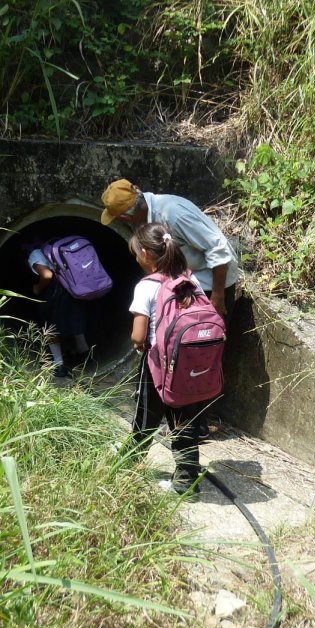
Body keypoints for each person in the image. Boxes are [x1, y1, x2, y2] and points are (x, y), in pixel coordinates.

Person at [101, 178, 238, 439]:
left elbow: (218, 249)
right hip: (188, 282)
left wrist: (218, 297)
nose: (125, 223)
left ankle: (195, 423)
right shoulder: (149, 218)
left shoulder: (172, 213)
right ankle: (184, 420)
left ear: (132, 213)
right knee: (179, 351)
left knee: (198, 352)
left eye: (122, 218)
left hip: (207, 286)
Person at [125, 222, 214, 496]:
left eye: (136, 254)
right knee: (183, 423)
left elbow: (138, 336)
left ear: (145, 254)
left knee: (145, 420)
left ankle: (126, 466)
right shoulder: (190, 278)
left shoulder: (146, 286)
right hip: (190, 365)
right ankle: (186, 482)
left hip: (157, 364)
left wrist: (141, 347)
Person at [24, 238, 90, 378]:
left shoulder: (35, 253)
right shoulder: (56, 248)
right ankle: (84, 353)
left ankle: (59, 365)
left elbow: (47, 275)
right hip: (71, 288)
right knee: (73, 318)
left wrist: (37, 288)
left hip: (53, 293)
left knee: (51, 328)